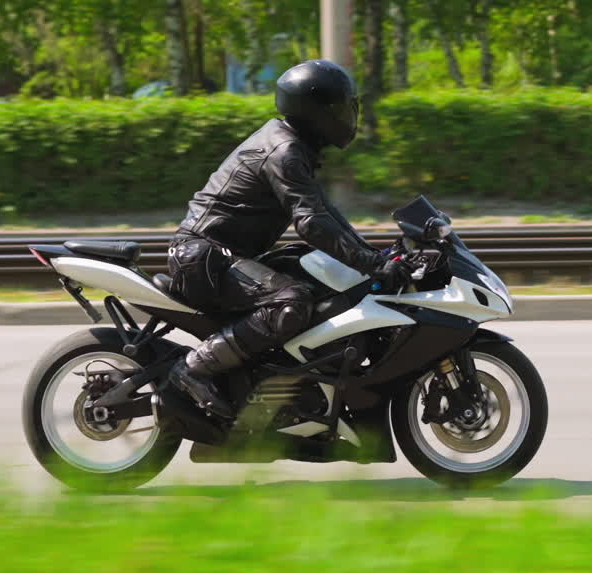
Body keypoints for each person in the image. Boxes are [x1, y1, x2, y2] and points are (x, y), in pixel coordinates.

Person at [164, 59, 410, 419]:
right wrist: (372, 264)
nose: (347, 115)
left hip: (220, 256)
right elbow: (311, 224)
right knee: (290, 301)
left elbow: (327, 216)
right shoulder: (285, 152)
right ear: (316, 112)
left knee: (313, 277)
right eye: (340, 107)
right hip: (206, 258)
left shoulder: (292, 146)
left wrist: (378, 256)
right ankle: (193, 368)